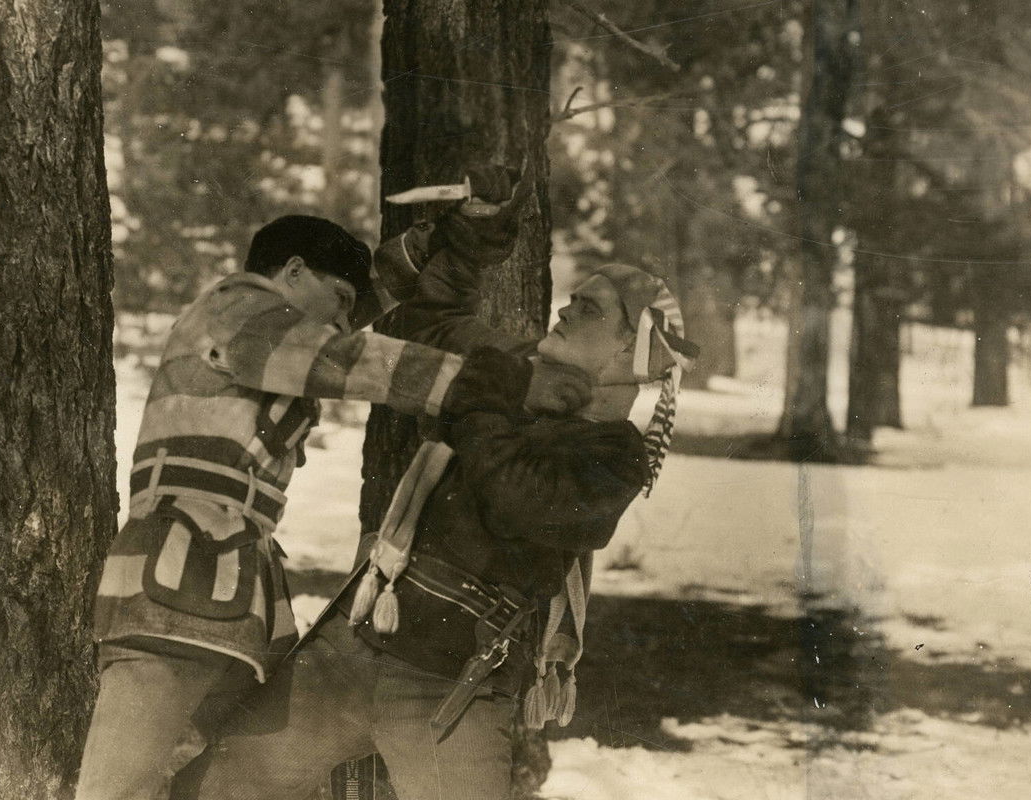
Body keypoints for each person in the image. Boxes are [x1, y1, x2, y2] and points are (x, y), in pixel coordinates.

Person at [183, 171, 699, 800]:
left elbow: (516, 498)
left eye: (588, 309)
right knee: (220, 786)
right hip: (357, 639)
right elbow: (431, 320)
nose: (565, 308)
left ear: (627, 354)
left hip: (451, 680)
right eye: (574, 299)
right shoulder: (511, 372)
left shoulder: (614, 457)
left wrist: (480, 391)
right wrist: (472, 241)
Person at [76, 199, 595, 800]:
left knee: (230, 778)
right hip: (175, 587)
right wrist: (502, 383)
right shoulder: (238, 308)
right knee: (114, 787)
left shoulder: (268, 322)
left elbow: (358, 305)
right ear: (292, 271)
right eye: (340, 301)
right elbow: (341, 357)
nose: (349, 322)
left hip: (217, 594)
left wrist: (438, 243)